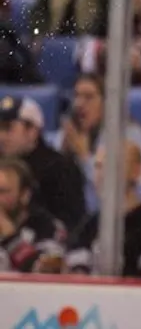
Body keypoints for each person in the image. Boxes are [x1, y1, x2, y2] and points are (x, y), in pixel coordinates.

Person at [65, 140, 141, 277]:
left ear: (136, 170)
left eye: (112, 166)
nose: (102, 174)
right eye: (98, 166)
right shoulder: (88, 227)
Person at [0, 96, 86, 231]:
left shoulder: (61, 168)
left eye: (8, 128)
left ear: (32, 131)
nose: (1, 136)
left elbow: (70, 223)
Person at [0, 158, 66, 273]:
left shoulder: (46, 227)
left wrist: (11, 239)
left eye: (3, 191)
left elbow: (47, 272)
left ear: (25, 195)